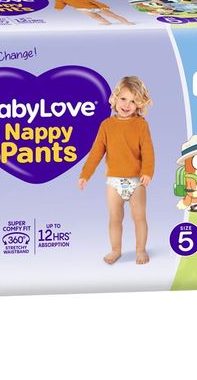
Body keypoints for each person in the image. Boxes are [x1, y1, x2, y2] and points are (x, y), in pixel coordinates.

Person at [78, 76, 154, 264]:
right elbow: (96, 153)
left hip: (136, 181)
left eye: (133, 101)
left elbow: (148, 151)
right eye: (123, 99)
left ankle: (140, 250)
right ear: (115, 98)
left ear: (139, 104)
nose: (127, 105)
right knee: (115, 218)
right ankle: (116, 250)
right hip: (114, 182)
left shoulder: (141, 125)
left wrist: (147, 172)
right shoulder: (106, 125)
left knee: (139, 218)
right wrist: (85, 175)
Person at [55, 0, 135, 25]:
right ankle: (105, 22)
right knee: (95, 17)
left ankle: (125, 22)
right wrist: (58, 8)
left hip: (95, 7)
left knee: (111, 15)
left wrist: (103, 6)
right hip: (83, 9)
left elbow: (95, 2)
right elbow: (60, 4)